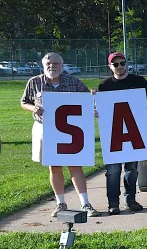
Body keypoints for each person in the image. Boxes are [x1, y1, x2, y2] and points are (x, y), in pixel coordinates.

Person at [21, 52, 100, 217]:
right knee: (55, 167)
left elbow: (87, 99)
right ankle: (60, 203)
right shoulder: (34, 82)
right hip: (46, 129)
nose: (52, 66)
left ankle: (85, 203)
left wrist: (93, 98)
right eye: (48, 64)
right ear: (43, 66)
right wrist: (33, 108)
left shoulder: (73, 81)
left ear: (62, 66)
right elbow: (24, 102)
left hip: (70, 130)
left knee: (75, 166)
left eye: (55, 64)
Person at [96, 52, 147, 215]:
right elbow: (100, 109)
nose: (120, 67)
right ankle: (113, 203)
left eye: (122, 63)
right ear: (110, 67)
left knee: (132, 168)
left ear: (126, 64)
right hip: (114, 133)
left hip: (134, 131)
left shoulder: (139, 81)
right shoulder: (105, 85)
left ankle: (130, 199)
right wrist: (96, 111)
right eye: (115, 64)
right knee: (113, 170)